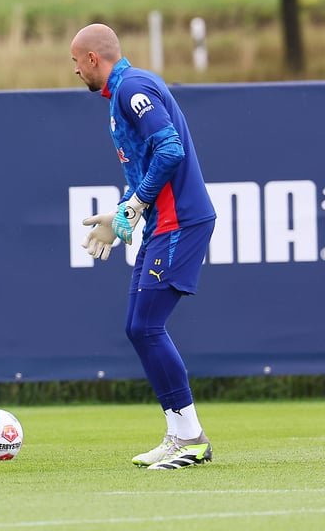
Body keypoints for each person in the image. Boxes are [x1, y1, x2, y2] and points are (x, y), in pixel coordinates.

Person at [71, 24, 217, 469]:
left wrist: (133, 206)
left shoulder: (132, 89)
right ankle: (178, 433)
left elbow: (169, 150)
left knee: (148, 327)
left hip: (180, 222)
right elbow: (144, 171)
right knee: (138, 328)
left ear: (94, 58)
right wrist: (120, 219)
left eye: (76, 62)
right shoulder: (121, 96)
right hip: (162, 224)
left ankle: (192, 438)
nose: (75, 71)